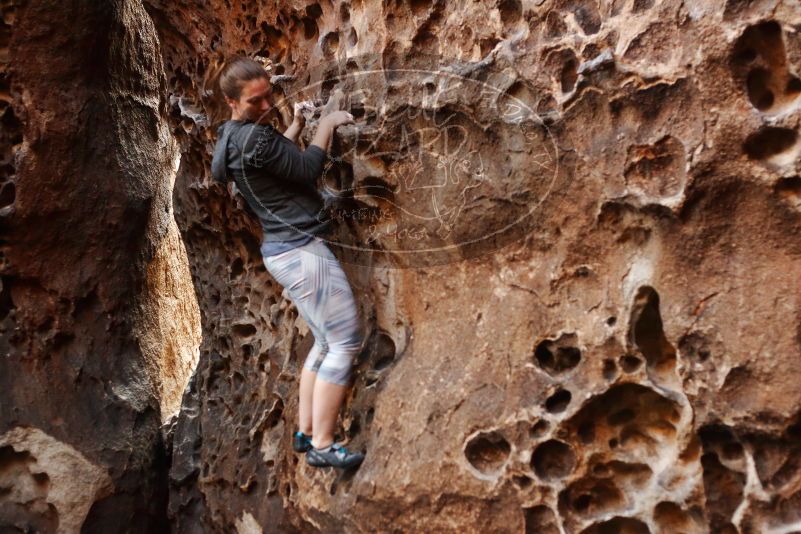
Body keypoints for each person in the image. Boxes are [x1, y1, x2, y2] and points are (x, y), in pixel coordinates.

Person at [207, 55, 365, 470]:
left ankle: (306, 431)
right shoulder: (255, 137)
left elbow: (273, 164)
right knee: (345, 342)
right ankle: (324, 445)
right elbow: (307, 169)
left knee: (326, 341)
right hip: (301, 251)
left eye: (268, 96)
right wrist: (328, 123)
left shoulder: (232, 136)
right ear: (231, 102)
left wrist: (295, 125)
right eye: (254, 101)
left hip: (282, 251)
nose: (265, 107)